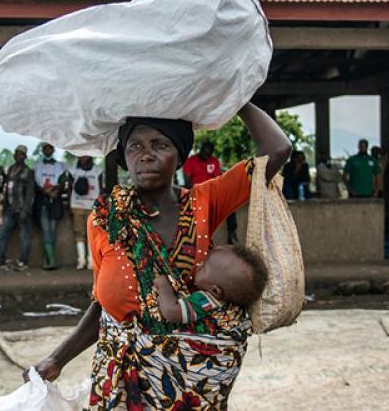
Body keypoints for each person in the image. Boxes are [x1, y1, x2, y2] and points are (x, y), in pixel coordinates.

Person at [30, 102, 291, 408]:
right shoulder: (105, 219)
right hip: (121, 383)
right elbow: (103, 305)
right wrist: (56, 359)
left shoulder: (204, 202)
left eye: (160, 144)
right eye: (135, 145)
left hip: (189, 384)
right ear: (125, 156)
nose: (146, 154)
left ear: (179, 156)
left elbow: (277, 150)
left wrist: (236, 97)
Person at [154, 245, 267, 324]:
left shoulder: (205, 301)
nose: (199, 265)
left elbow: (170, 312)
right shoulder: (234, 304)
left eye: (203, 267)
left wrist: (164, 285)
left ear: (215, 291)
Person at [184, 141, 239, 243]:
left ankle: (232, 233)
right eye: (204, 153)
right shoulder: (191, 161)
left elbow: (218, 179)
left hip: (212, 190)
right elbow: (187, 183)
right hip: (197, 191)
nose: (206, 156)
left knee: (230, 201)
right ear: (200, 150)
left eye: (209, 154)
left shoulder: (214, 161)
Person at [0, 145, 34, 270]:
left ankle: (23, 262)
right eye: (17, 153)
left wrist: (25, 210)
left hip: (21, 209)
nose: (18, 155)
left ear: (25, 157)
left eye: (21, 154)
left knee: (24, 237)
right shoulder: (11, 169)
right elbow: (6, 188)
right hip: (10, 208)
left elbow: (30, 193)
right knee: (2, 233)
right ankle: (0, 260)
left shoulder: (27, 171)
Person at [33, 143, 66, 271]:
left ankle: (47, 259)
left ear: (53, 149)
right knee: (46, 230)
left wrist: (55, 190)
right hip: (42, 201)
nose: (47, 150)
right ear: (42, 150)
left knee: (52, 231)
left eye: (50, 148)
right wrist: (44, 191)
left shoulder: (60, 166)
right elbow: (35, 184)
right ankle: (52, 261)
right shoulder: (37, 165)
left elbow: (63, 183)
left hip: (55, 201)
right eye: (45, 148)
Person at [67, 155, 102, 270]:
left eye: (84, 155)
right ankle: (81, 260)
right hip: (77, 205)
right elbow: (69, 189)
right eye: (80, 156)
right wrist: (69, 204)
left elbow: (101, 189)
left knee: (91, 234)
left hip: (93, 206)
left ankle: (91, 261)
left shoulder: (97, 170)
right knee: (79, 233)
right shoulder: (73, 171)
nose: (82, 158)